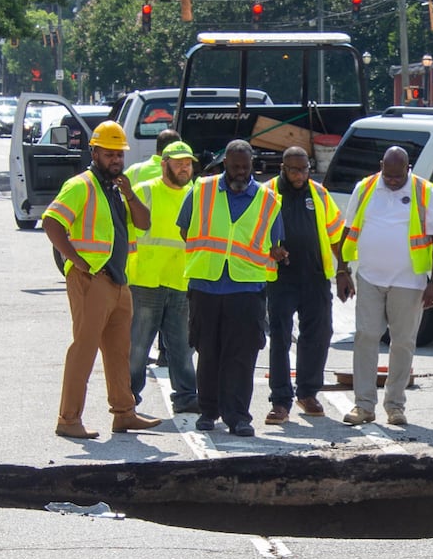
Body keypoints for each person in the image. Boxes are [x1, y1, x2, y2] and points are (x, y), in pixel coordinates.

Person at [41, 120, 163, 439]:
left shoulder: (117, 187)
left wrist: (130, 194)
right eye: (109, 154)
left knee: (118, 350)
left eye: (119, 155)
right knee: (84, 348)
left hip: (119, 281)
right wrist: (77, 260)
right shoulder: (81, 185)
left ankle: (124, 413)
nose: (116, 160)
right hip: (92, 279)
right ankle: (68, 419)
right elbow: (52, 223)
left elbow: (144, 222)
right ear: (94, 152)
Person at [177, 139, 286, 438]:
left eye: (245, 166)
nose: (240, 172)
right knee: (208, 351)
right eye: (234, 166)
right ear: (225, 163)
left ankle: (238, 415)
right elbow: (185, 227)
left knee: (241, 356)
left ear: (252, 165)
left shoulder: (268, 200)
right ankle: (208, 411)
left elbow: (276, 242)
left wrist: (277, 253)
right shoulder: (203, 189)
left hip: (246, 288)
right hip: (206, 284)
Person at [335, 146, 433, 427]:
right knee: (365, 337)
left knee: (403, 343)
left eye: (399, 176)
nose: (394, 181)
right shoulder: (366, 187)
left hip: (409, 282)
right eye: (389, 175)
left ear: (408, 169)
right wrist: (342, 270)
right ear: (381, 166)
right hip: (370, 278)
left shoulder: (425, 192)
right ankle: (364, 406)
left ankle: (395, 406)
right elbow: (348, 230)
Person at [262, 146, 344, 425]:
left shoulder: (318, 193)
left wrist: (343, 269)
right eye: (294, 170)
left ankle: (307, 393)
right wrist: (270, 249)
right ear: (283, 168)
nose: (299, 175)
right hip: (280, 278)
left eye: (304, 169)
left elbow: (336, 232)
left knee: (319, 334)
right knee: (281, 338)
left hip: (315, 276)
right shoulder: (267, 192)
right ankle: (280, 401)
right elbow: (251, 232)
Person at [127, 139, 199, 414]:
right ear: (164, 163)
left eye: (188, 164)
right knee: (139, 345)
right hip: (147, 280)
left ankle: (186, 396)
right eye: (179, 163)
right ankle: (129, 396)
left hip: (180, 280)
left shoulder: (193, 194)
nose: (184, 169)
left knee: (182, 344)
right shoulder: (145, 191)